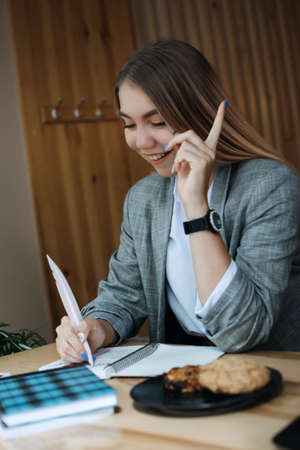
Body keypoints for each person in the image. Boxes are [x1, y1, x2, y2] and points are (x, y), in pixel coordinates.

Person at [56, 40, 300, 362]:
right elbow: (124, 294)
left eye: (157, 122)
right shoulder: (143, 199)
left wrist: (196, 206)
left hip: (270, 375)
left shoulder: (269, 186)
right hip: (179, 374)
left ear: (200, 113)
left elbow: (241, 331)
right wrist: (95, 328)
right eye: (129, 124)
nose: (141, 141)